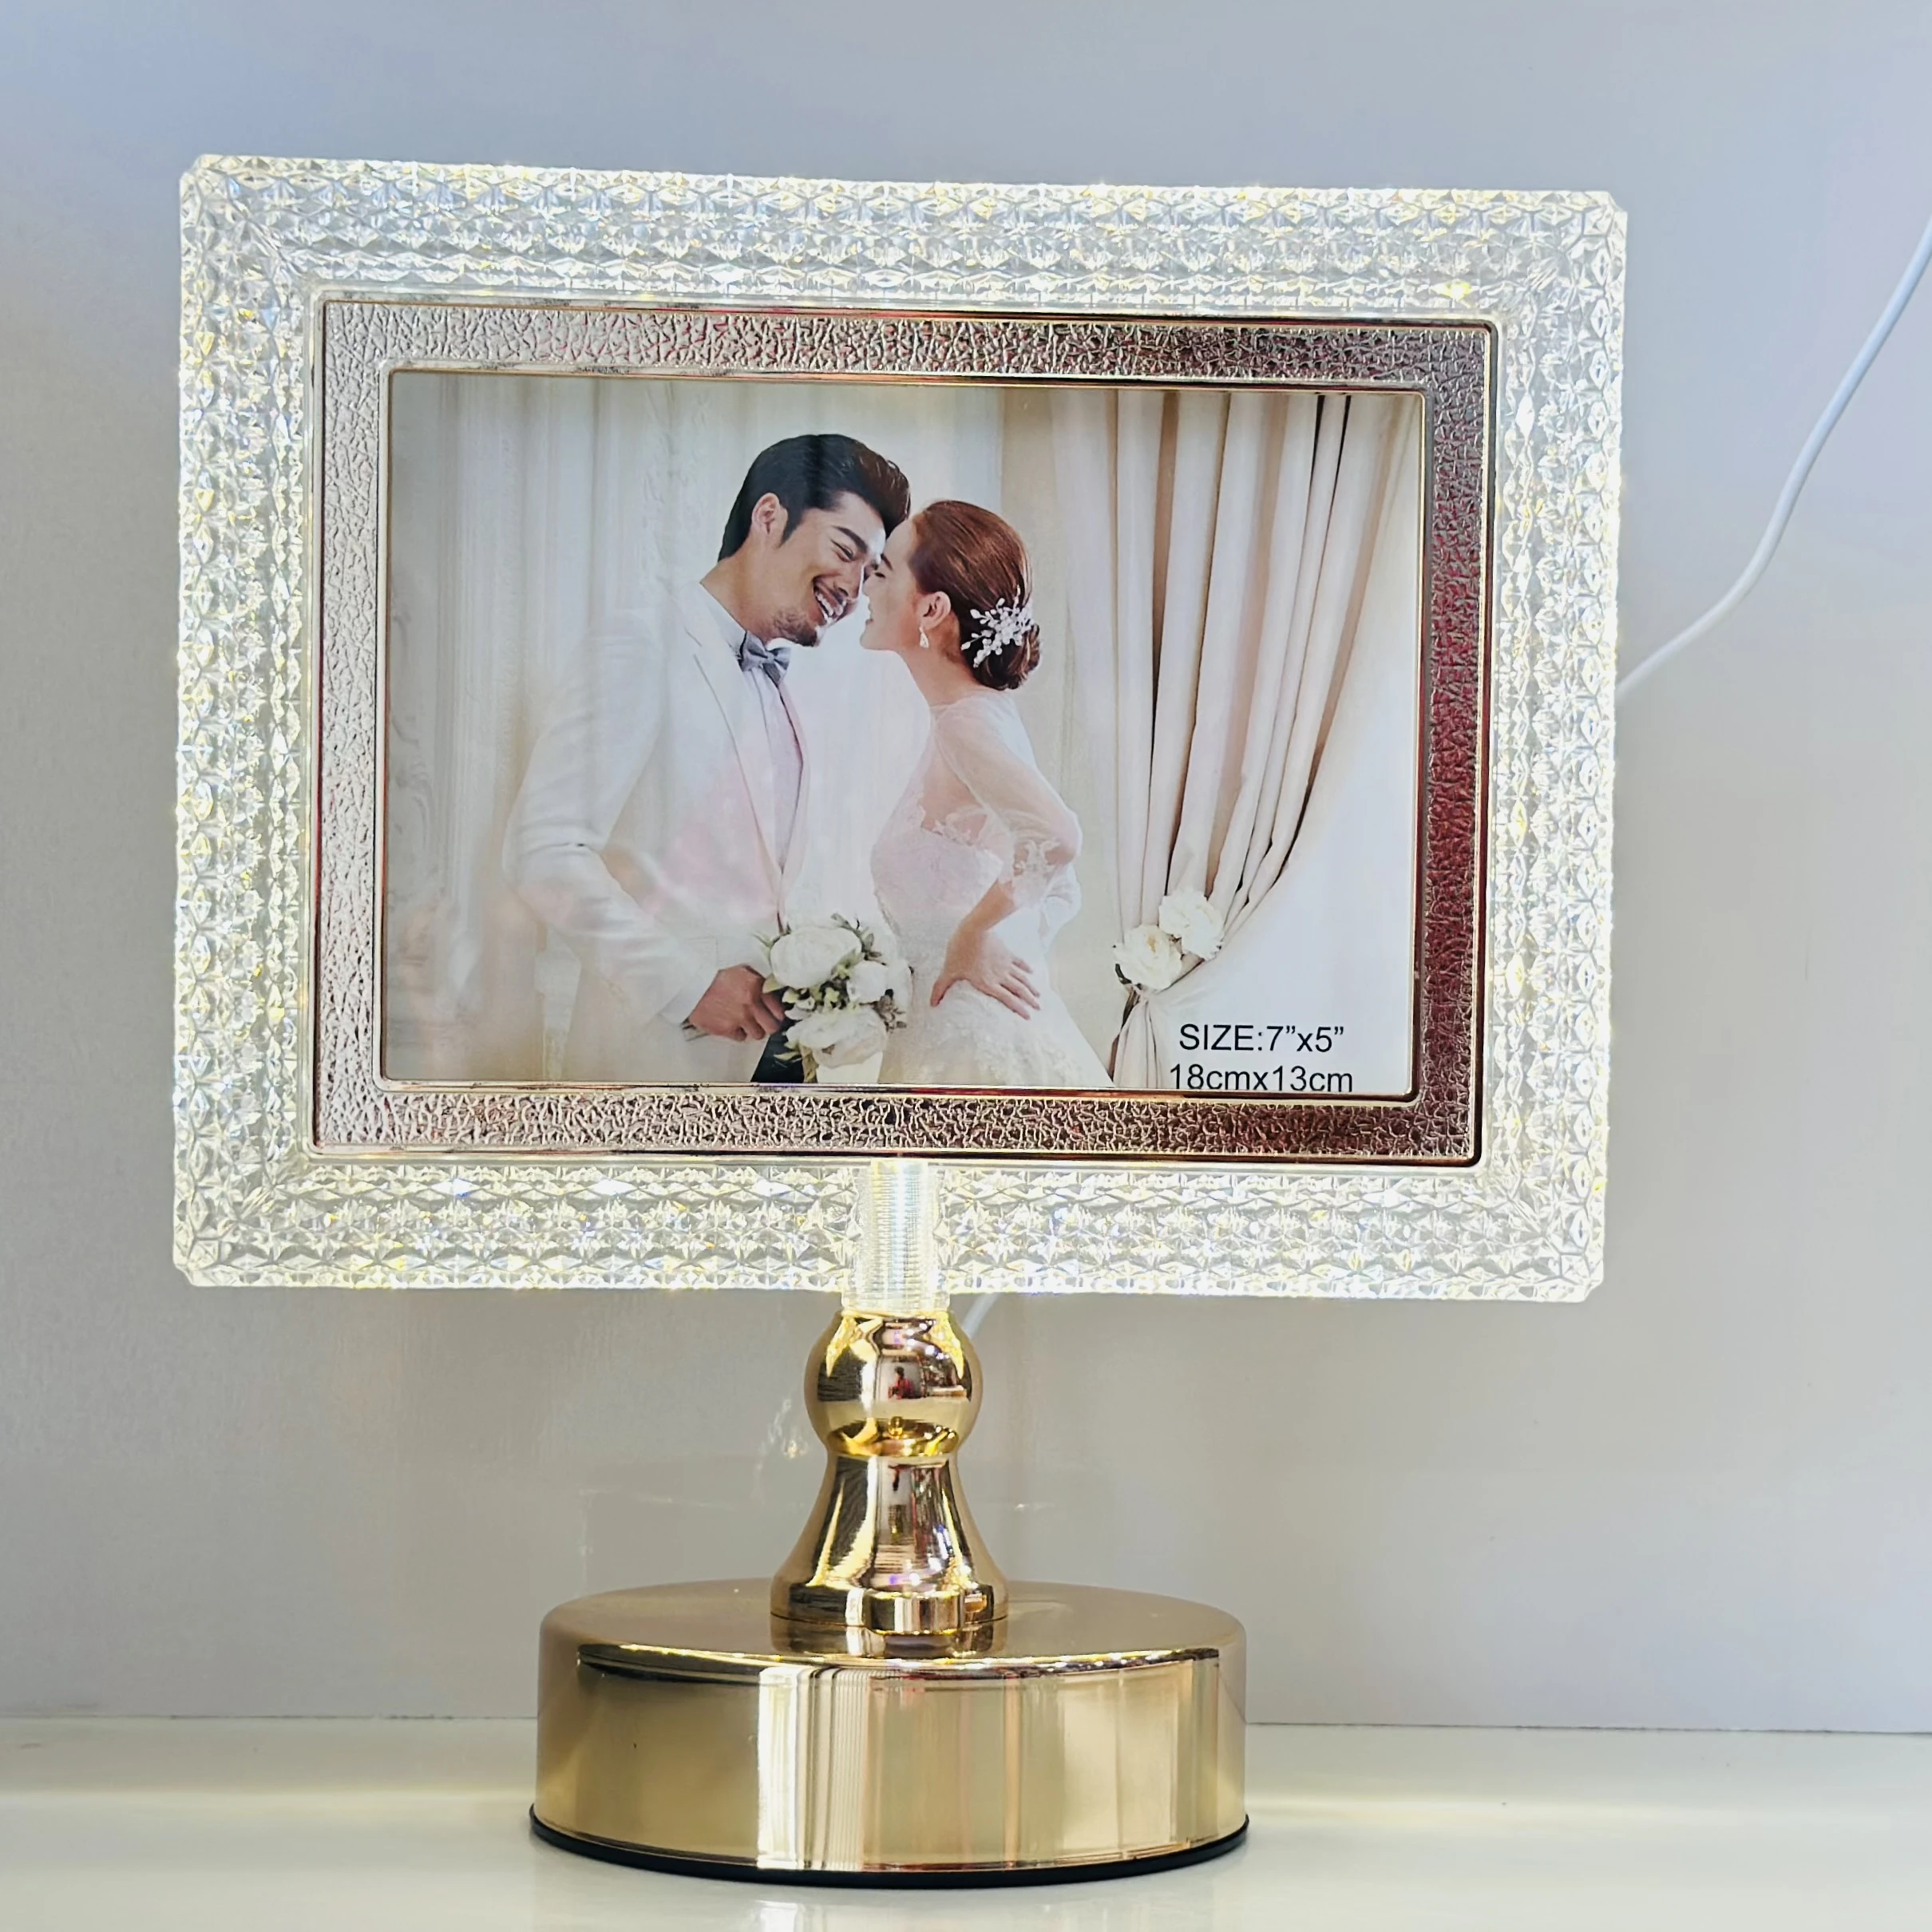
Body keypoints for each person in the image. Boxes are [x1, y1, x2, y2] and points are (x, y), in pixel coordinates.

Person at [503, 433, 910, 1083]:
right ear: (769, 516)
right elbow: (543, 851)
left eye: (869, 572)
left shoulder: (786, 686)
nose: (856, 590)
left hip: (776, 1062)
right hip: (658, 1063)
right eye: (845, 551)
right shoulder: (643, 644)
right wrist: (687, 985)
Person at [858, 500, 1111, 1089]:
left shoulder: (966, 723)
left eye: (884, 570)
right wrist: (1005, 940)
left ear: (932, 608)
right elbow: (1059, 888)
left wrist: (973, 936)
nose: (867, 584)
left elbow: (1058, 838)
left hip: (970, 1040)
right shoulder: (980, 715)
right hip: (958, 1025)